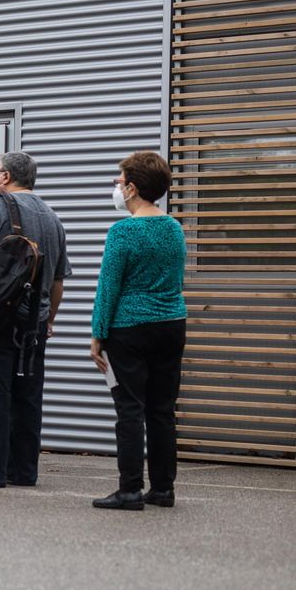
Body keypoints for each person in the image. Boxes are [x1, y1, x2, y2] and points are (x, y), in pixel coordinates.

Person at [0, 151, 71, 488]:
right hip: (33, 321)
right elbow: (58, 281)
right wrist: (48, 318)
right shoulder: (52, 216)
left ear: (5, 177)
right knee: (27, 394)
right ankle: (23, 470)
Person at [90, 152, 187, 511]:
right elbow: (176, 279)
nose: (116, 187)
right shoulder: (174, 228)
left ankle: (129, 488)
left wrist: (98, 334)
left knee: (129, 409)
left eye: (118, 181)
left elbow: (109, 287)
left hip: (129, 328)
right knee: (162, 410)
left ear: (132, 188)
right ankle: (163, 489)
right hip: (172, 323)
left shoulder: (123, 231)